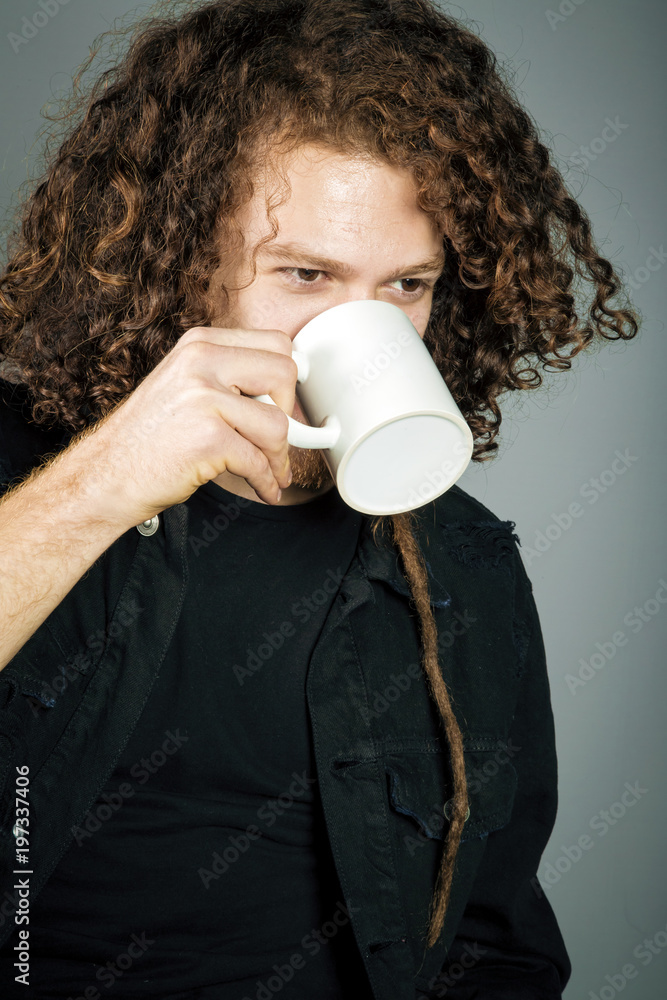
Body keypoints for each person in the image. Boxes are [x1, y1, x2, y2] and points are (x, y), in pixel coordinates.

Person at [0, 1, 639, 997]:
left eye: (406, 286)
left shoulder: (462, 566)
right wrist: (104, 479)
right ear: (175, 261)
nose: (364, 325)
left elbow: (495, 941)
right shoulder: (32, 467)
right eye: (305, 273)